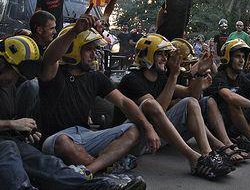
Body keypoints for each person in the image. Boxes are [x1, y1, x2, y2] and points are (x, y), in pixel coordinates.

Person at [0, 35, 143, 190]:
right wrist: (11, 124)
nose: (15, 79)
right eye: (14, 73)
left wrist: (21, 130)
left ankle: (91, 185)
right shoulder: (54, 75)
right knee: (9, 151)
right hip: (7, 144)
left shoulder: (8, 87)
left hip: (11, 140)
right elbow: (51, 57)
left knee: (44, 163)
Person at [39, 15, 160, 180]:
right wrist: (74, 31)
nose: (94, 55)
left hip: (84, 135)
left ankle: (91, 171)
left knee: (133, 129)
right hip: (56, 139)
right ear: (73, 49)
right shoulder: (54, 72)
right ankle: (107, 170)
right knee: (63, 142)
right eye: (89, 49)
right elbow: (49, 57)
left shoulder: (95, 77)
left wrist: (148, 127)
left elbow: (124, 102)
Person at [113, 33, 233, 179]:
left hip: (153, 138)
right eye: (160, 54)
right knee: (173, 104)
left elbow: (191, 94)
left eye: (165, 54)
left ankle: (207, 155)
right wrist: (174, 75)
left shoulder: (161, 77)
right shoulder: (132, 79)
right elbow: (157, 110)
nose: (165, 58)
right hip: (132, 140)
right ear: (147, 55)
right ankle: (198, 158)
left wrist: (200, 73)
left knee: (191, 102)